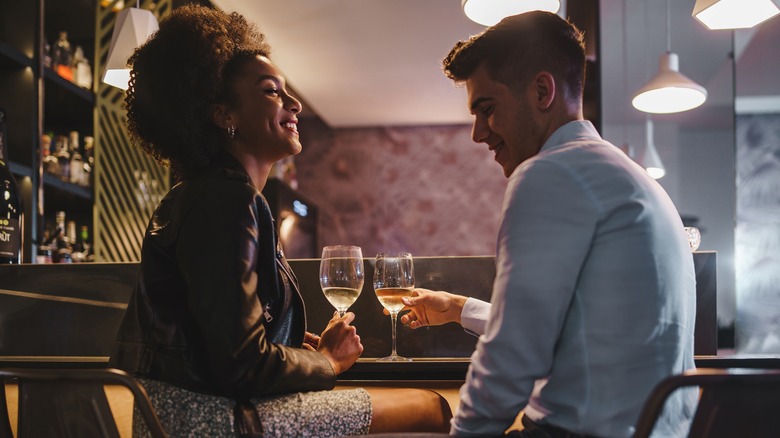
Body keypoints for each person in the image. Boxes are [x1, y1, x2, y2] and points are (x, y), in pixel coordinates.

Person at [108, 5, 451, 437]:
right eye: (272, 91)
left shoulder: (203, 195)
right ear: (223, 114)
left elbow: (219, 344)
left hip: (181, 416)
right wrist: (326, 361)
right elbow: (239, 363)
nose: (295, 104)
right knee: (430, 407)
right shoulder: (226, 199)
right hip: (210, 423)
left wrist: (288, 348)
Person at [400, 11, 697, 437]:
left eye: (487, 109)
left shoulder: (550, 172)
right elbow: (573, 329)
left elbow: (515, 353)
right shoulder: (626, 177)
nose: (477, 133)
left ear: (542, 91)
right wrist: (459, 309)